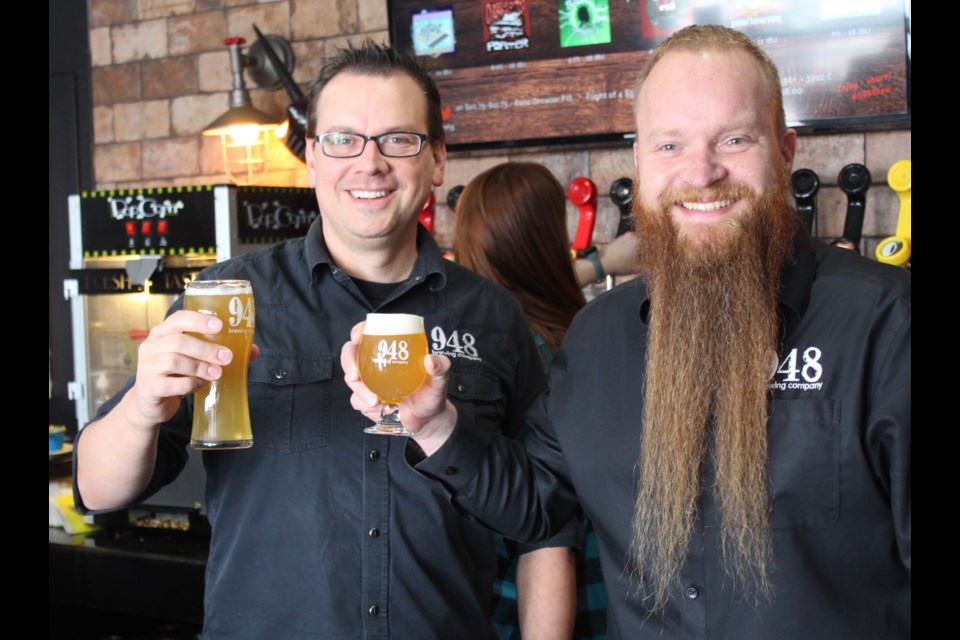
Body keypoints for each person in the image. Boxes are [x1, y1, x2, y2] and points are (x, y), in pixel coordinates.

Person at [341, 25, 911, 639]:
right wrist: (433, 425)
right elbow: (536, 503)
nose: (702, 171)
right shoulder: (597, 338)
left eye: (735, 138)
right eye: (670, 146)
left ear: (786, 149)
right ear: (638, 160)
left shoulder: (884, 322)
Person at [73, 41, 578, 639]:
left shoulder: (493, 315)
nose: (370, 163)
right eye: (342, 139)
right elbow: (95, 490)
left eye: (398, 139)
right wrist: (140, 409)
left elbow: (543, 517)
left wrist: (443, 431)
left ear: (437, 159)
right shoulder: (229, 297)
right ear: (312, 157)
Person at [453, 161, 610, 639]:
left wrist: (599, 265)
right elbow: (546, 534)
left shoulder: (474, 342)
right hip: (559, 602)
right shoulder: (561, 351)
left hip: (496, 597)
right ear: (541, 241)